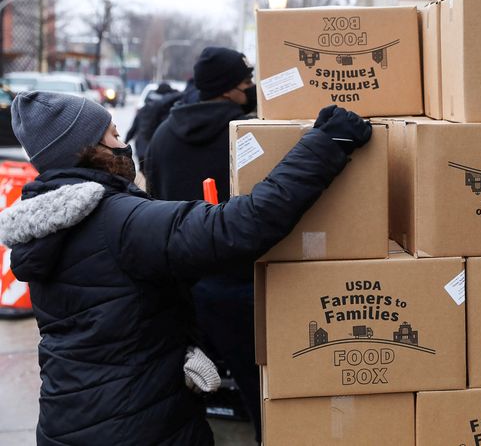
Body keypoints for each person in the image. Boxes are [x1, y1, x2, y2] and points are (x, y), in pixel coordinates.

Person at [0, 90, 371, 445]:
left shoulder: (47, 225)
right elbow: (239, 227)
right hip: (136, 428)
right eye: (112, 133)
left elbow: (106, 319)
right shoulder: (119, 221)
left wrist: (175, 346)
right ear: (88, 150)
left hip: (67, 421)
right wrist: (327, 143)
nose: (122, 141)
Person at [144, 47, 262, 438]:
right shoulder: (248, 133)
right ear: (230, 89)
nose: (250, 86)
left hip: (181, 280)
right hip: (239, 280)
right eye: (245, 81)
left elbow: (154, 200)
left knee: (187, 386)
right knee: (260, 387)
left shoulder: (162, 135)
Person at [126, 82, 182, 168]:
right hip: (156, 153)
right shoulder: (168, 110)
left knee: (144, 177)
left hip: (142, 151)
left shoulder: (145, 108)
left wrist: (123, 144)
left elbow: (133, 129)